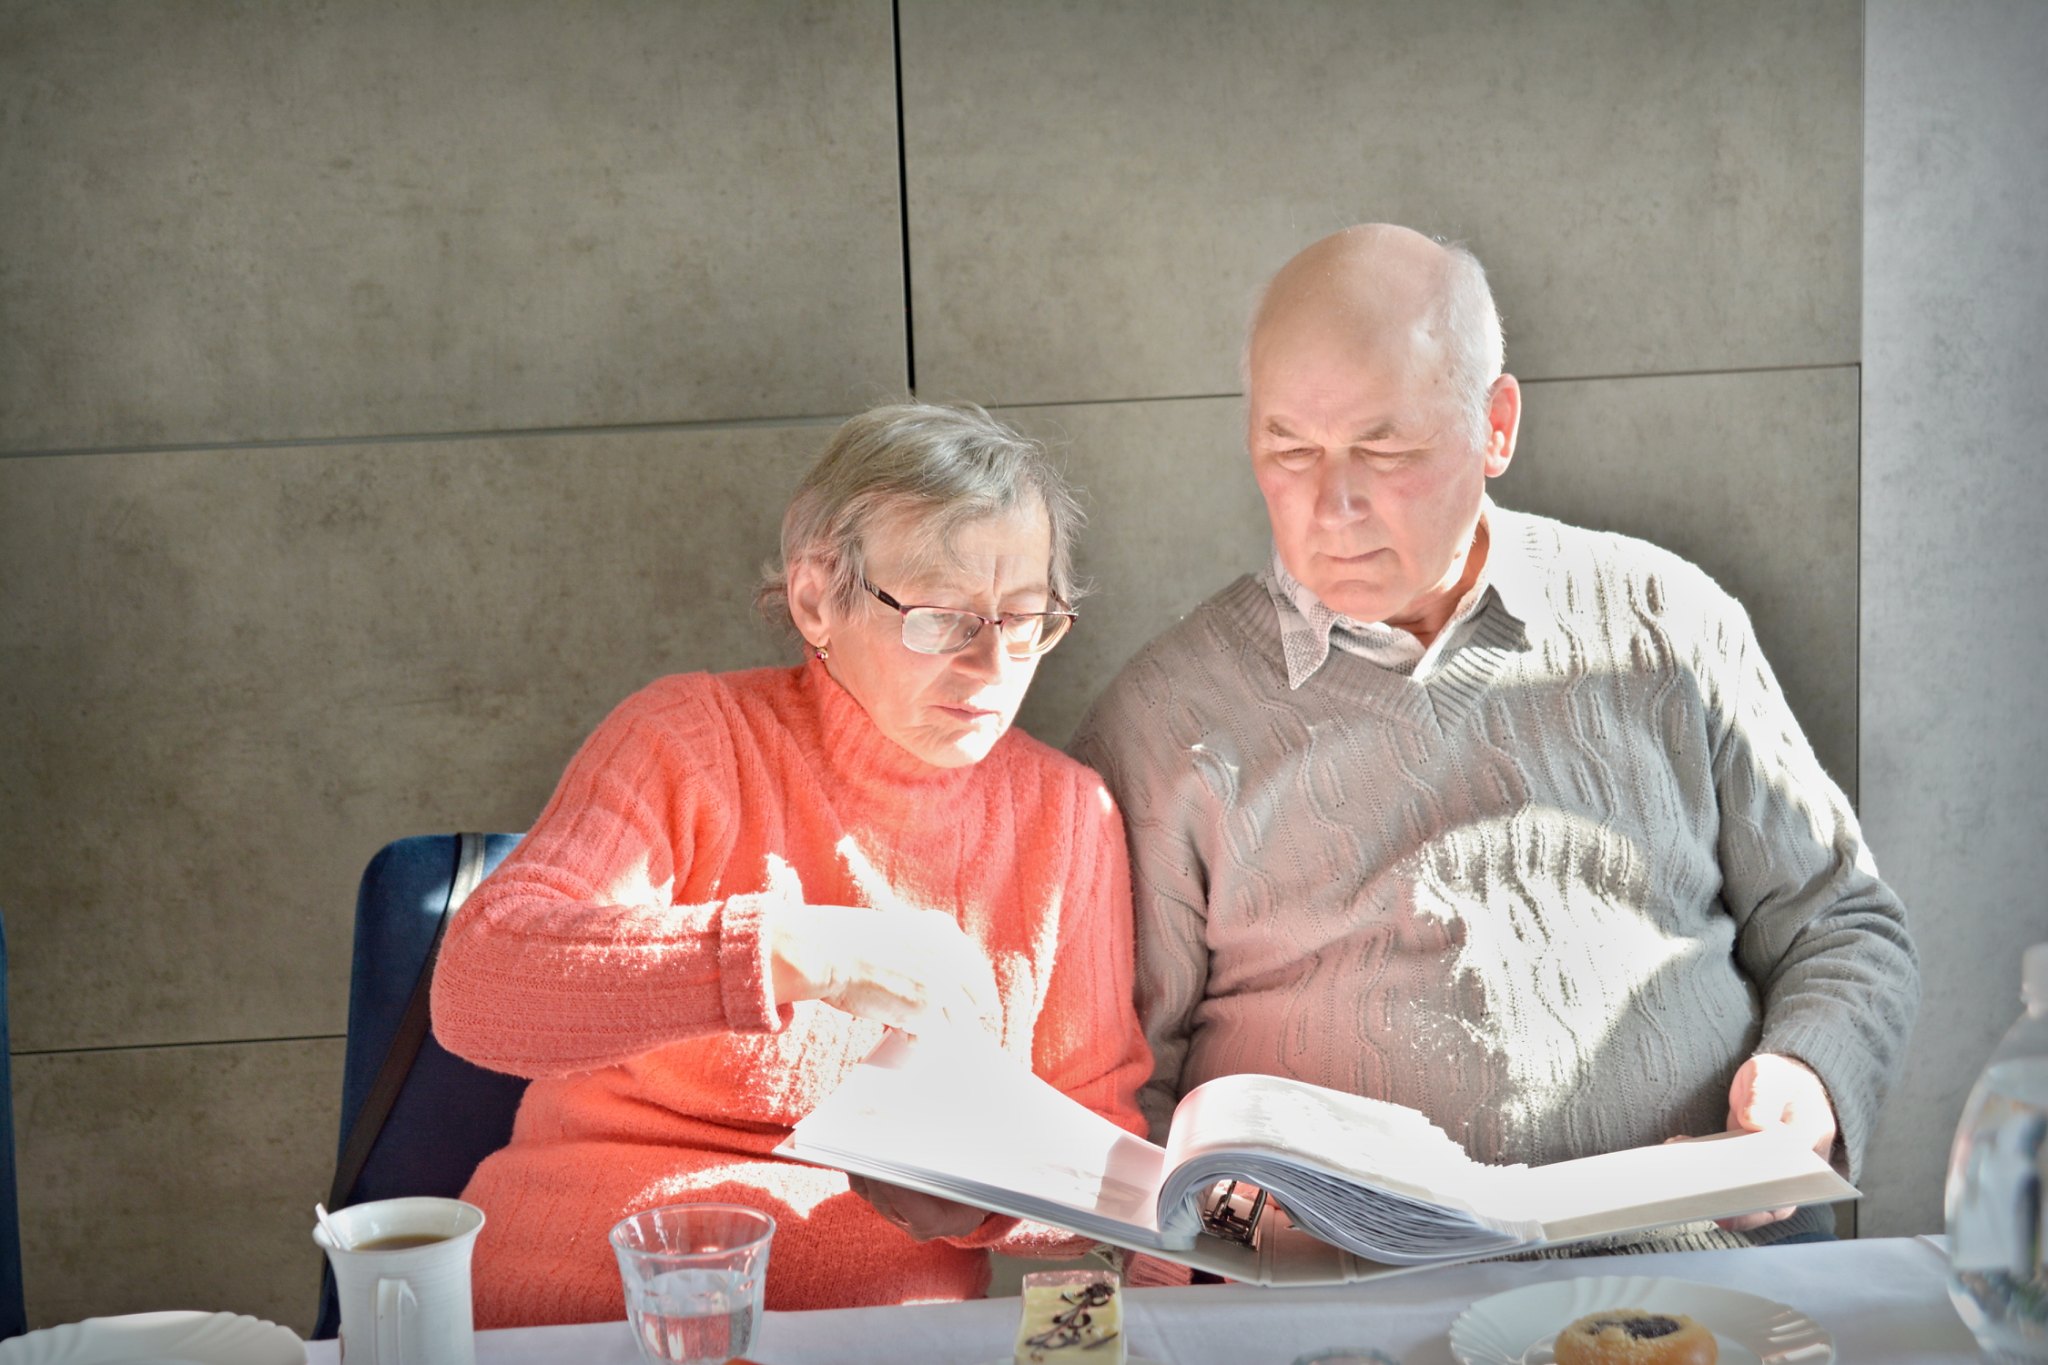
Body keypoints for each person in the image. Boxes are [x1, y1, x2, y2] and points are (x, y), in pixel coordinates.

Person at [1070, 224, 1918, 1253]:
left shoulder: (1665, 621)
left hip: (1706, 1277)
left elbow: (1842, 924)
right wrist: (1225, 1236)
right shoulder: (1161, 721)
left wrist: (1810, 1076)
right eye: (1289, 450)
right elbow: (1112, 1102)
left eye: (1385, 449)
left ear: (1495, 425)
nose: (1332, 505)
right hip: (1340, 1304)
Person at [432, 402, 1151, 1324]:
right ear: (818, 600)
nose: (991, 665)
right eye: (941, 619)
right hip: (583, 1313)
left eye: (1024, 619)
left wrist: (983, 1208)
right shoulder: (688, 741)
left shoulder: (1069, 815)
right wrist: (806, 952)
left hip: (873, 1342)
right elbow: (479, 986)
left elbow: (1103, 1150)